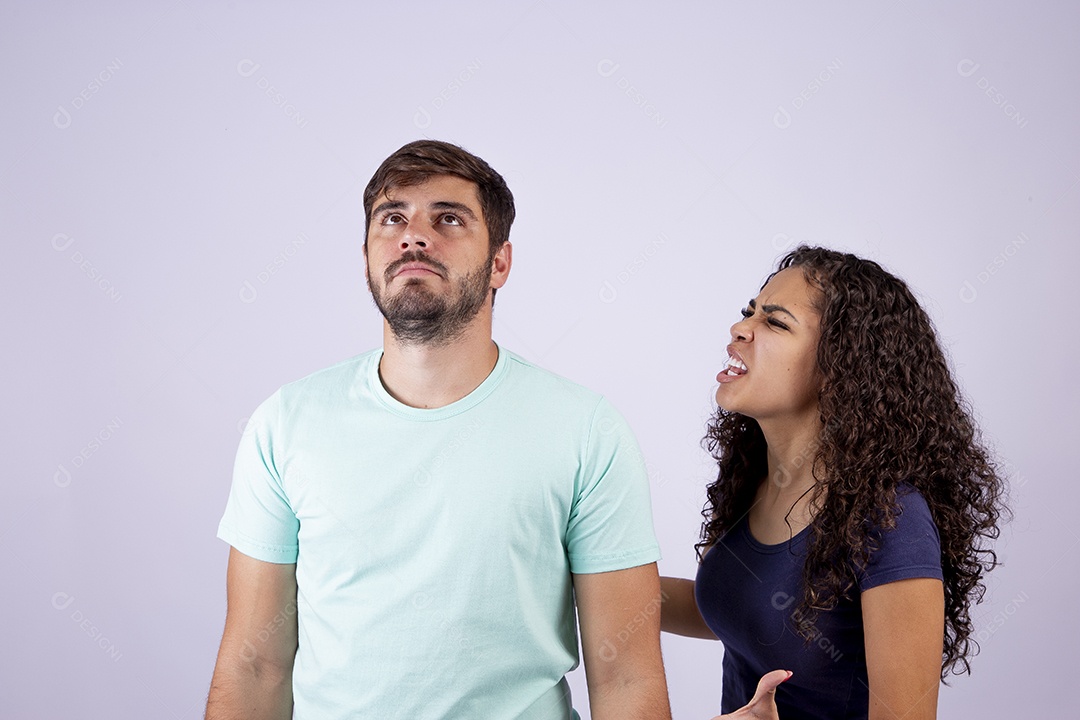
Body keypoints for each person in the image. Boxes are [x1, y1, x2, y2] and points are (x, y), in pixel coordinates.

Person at [204, 139, 672, 719]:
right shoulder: (285, 423)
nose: (414, 236)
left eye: (448, 218)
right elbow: (254, 665)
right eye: (392, 218)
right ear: (368, 252)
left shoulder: (587, 432)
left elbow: (626, 677)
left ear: (500, 262)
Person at [661, 246, 1006, 720]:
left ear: (838, 369)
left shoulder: (892, 521)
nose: (740, 329)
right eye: (749, 312)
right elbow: (745, 609)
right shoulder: (754, 478)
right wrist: (593, 585)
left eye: (775, 322)